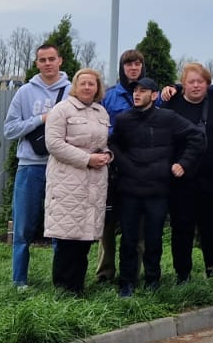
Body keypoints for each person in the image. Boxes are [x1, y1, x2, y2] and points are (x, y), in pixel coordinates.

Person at [107, 77, 204, 297]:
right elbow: (113, 144)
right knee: (128, 239)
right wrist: (125, 164)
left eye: (143, 91)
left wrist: (183, 163)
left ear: (154, 95)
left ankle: (152, 281)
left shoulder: (167, 118)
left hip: (157, 190)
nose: (137, 94)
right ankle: (126, 283)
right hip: (129, 189)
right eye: (135, 90)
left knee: (154, 240)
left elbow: (196, 136)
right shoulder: (123, 119)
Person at [1, 42, 70, 289]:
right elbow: (9, 129)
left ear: (60, 61)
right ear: (36, 63)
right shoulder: (25, 93)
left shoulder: (72, 91)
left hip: (62, 167)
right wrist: (41, 118)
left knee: (60, 228)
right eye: (43, 60)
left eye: (52, 59)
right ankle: (19, 280)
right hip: (30, 166)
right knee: (23, 227)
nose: (48, 64)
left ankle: (60, 281)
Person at [41, 67, 111, 295]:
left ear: (97, 88)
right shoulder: (62, 110)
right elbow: (54, 144)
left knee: (84, 239)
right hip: (68, 181)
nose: (87, 87)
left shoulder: (101, 112)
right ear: (75, 86)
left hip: (94, 183)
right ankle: (63, 290)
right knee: (67, 240)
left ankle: (77, 288)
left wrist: (107, 155)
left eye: (92, 84)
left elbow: (102, 144)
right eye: (83, 83)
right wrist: (87, 159)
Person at [162, 61, 213, 283]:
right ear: (183, 85)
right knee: (182, 227)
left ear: (207, 83)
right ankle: (183, 273)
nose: (196, 86)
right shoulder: (172, 104)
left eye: (200, 81)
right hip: (181, 178)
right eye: (191, 82)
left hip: (211, 176)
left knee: (211, 226)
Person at [95, 49, 146, 283]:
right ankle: (105, 272)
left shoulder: (150, 93)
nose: (133, 68)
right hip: (112, 166)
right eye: (128, 65)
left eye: (137, 64)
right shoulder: (110, 96)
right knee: (107, 223)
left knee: (136, 223)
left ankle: (133, 273)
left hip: (140, 168)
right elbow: (100, 126)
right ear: (122, 68)